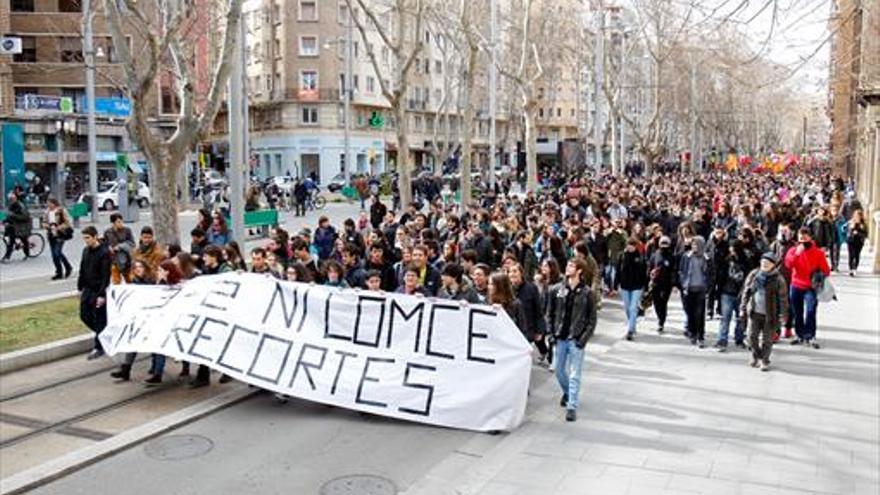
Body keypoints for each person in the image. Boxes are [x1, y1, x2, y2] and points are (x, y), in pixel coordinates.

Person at [547, 258, 597, 422]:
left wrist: (582, 339)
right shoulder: (556, 290)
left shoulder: (587, 293)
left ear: (580, 271)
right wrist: (552, 334)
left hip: (576, 338)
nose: (568, 268)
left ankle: (572, 406)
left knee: (575, 374)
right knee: (559, 371)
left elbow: (592, 320)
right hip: (560, 337)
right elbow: (550, 313)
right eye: (567, 265)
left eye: (571, 266)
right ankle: (568, 393)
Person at [739, 253, 789, 371]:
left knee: (767, 339)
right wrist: (742, 308)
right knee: (751, 336)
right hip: (754, 312)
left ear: (773, 265)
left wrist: (783, 314)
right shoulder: (754, 275)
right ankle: (755, 355)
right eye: (763, 262)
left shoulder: (778, 279)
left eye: (768, 263)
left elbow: (783, 298)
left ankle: (765, 360)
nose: (764, 265)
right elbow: (746, 292)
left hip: (770, 314)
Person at [784, 228, 830, 348]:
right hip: (796, 285)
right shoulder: (793, 250)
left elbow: (826, 270)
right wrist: (797, 254)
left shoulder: (818, 252)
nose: (802, 239)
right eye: (800, 237)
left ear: (810, 237)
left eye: (805, 236)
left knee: (810, 311)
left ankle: (810, 335)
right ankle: (799, 335)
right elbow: (788, 265)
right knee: (797, 312)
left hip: (811, 287)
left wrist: (817, 274)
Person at [110, 259, 154, 382]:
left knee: (154, 345)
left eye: (140, 267)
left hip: (151, 318)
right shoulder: (134, 282)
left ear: (145, 268)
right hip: (138, 318)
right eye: (136, 267)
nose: (138, 269)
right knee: (132, 342)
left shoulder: (151, 281)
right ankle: (126, 369)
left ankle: (156, 369)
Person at [77, 226, 112, 360]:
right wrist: (80, 288)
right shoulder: (85, 251)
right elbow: (82, 269)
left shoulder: (104, 253)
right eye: (84, 238)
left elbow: (105, 276)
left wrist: (102, 295)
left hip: (98, 290)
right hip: (88, 289)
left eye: (88, 238)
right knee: (84, 315)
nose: (86, 241)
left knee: (99, 319)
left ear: (95, 237)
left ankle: (99, 346)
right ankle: (103, 334)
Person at [678, 236, 714, 347]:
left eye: (697, 245)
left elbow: (711, 273)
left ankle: (700, 336)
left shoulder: (707, 258)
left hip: (701, 289)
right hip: (689, 288)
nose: (695, 247)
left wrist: (709, 286)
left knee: (700, 314)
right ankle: (692, 333)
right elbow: (681, 271)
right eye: (693, 245)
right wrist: (683, 283)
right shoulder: (686, 256)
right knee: (690, 312)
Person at [508, 262, 546, 356]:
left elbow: (538, 311)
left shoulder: (531, 288)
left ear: (521, 273)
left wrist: (539, 330)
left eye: (515, 271)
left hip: (526, 330)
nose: (512, 274)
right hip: (510, 330)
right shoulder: (507, 289)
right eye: (510, 272)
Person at [715, 243, 747, 351]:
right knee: (725, 318)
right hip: (726, 292)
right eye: (731, 250)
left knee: (740, 318)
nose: (732, 253)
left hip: (740, 294)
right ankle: (722, 339)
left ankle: (739, 338)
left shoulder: (745, 263)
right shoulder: (725, 262)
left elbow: (747, 278)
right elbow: (720, 277)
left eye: (734, 250)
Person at [616, 238, 647, 341]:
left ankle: (630, 330)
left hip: (636, 286)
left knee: (633, 307)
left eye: (632, 245)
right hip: (624, 285)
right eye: (628, 245)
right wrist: (616, 283)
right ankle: (632, 323)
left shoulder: (640, 257)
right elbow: (618, 270)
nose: (630, 247)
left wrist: (645, 286)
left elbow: (643, 272)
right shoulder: (622, 256)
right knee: (627, 307)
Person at [647, 236, 675, 333]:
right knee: (656, 302)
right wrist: (648, 278)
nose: (664, 245)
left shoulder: (671, 256)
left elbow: (674, 270)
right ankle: (660, 317)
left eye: (666, 243)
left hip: (667, 284)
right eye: (662, 243)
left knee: (663, 303)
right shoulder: (655, 255)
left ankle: (661, 322)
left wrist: (674, 283)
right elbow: (650, 267)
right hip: (656, 282)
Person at [43, 197, 74, 279]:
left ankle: (67, 267)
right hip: (51, 234)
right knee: (54, 255)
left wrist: (58, 227)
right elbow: (44, 222)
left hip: (60, 234)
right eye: (47, 203)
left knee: (57, 253)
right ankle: (59, 272)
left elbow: (67, 223)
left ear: (54, 203)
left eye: (49, 203)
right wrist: (46, 226)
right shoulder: (47, 212)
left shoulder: (61, 211)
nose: (48, 205)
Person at [2, 191, 32, 262]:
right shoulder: (10, 205)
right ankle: (7, 256)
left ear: (16, 198)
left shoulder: (21, 206)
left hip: (20, 227)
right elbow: (7, 214)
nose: (11, 199)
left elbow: (25, 216)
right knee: (11, 241)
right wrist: (4, 220)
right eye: (10, 198)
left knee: (22, 240)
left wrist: (13, 216)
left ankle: (26, 255)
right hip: (12, 226)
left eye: (13, 198)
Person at [846, 209, 868, 277]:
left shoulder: (863, 224)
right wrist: (851, 228)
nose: (857, 217)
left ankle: (855, 268)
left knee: (857, 255)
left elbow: (865, 234)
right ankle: (850, 269)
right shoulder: (850, 222)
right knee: (851, 255)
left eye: (859, 216)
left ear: (861, 216)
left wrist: (858, 233)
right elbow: (846, 231)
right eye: (856, 215)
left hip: (859, 242)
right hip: (851, 241)